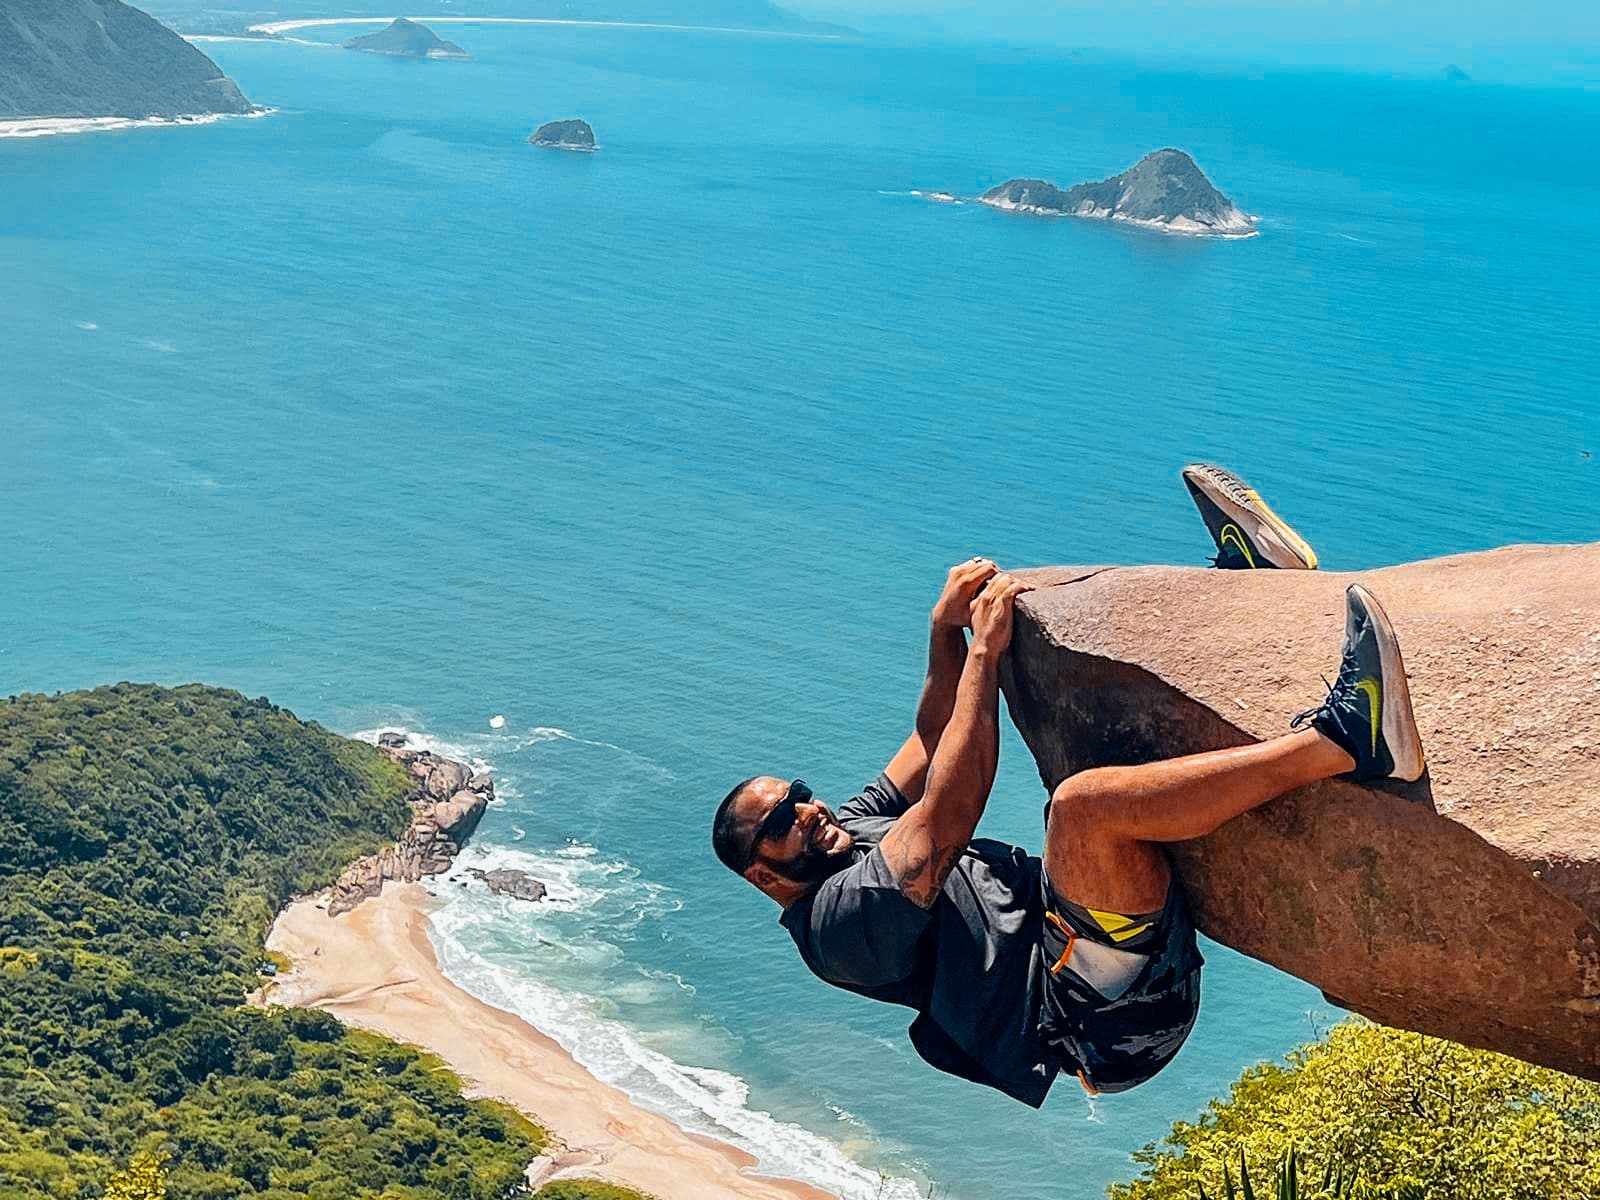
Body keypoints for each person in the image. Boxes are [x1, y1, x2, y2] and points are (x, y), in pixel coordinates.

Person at [709, 465, 1425, 1106]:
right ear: (762, 874)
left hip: (1081, 937)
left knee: (1096, 735)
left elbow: (929, 744)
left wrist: (942, 630)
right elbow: (949, 812)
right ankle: (1346, 743)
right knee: (1083, 810)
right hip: (1101, 1017)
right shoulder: (839, 925)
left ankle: (1246, 583)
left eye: (798, 792)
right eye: (779, 820)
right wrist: (983, 654)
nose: (806, 810)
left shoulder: (847, 832)